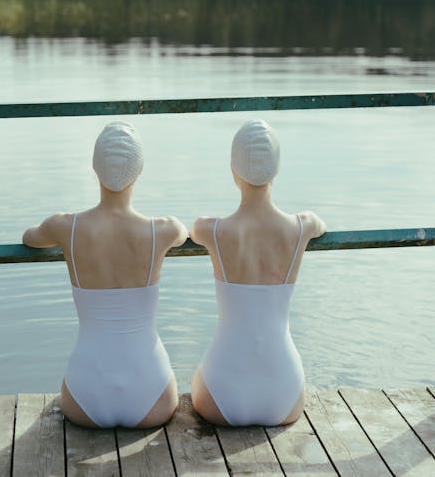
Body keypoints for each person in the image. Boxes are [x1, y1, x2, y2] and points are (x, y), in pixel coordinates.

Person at [22, 120, 188, 428]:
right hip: (152, 392)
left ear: (95, 168)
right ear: (140, 170)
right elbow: (183, 232)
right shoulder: (163, 230)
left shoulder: (64, 226)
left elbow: (30, 238)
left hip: (86, 394)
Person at [190, 119, 327, 427]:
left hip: (220, 393)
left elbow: (194, 227)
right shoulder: (301, 226)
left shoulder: (213, 230)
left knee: (194, 377)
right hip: (285, 393)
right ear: (276, 169)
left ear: (233, 171)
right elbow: (318, 223)